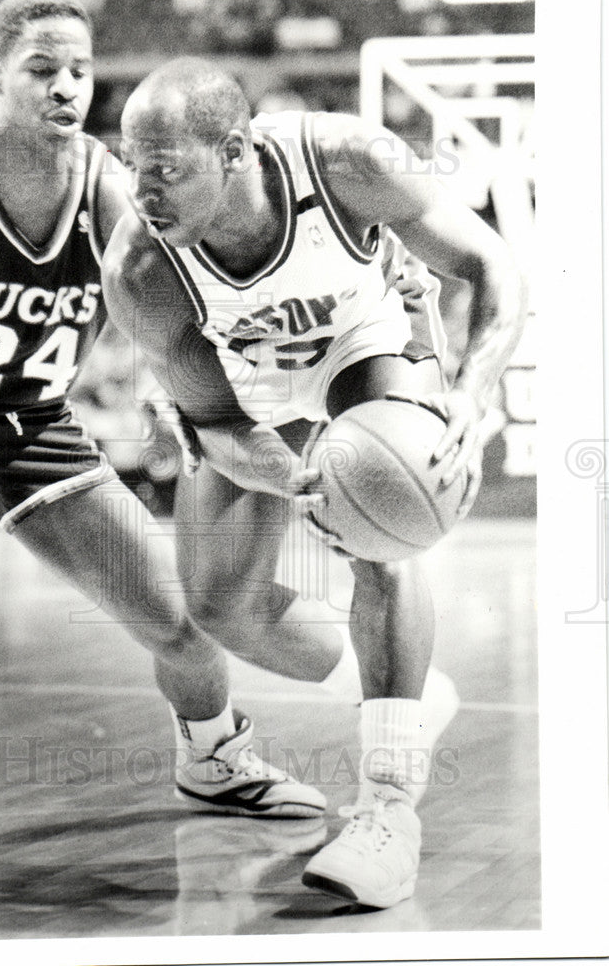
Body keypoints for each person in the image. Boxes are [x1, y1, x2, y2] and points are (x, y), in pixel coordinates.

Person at [0, 0, 328, 820]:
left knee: (181, 628)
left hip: (34, 428)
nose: (66, 87)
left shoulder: (115, 195)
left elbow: (198, 290)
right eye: (43, 70)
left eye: (80, 70)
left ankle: (213, 759)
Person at [102, 57, 527, 908]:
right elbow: (215, 423)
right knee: (219, 607)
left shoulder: (344, 163)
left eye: (167, 170)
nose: (142, 192)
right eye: (133, 166)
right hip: (244, 380)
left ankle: (387, 807)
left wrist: (475, 395)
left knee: (385, 530)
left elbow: (488, 264)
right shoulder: (143, 271)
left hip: (364, 336)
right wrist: (288, 475)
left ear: (235, 149)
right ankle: (407, 691)